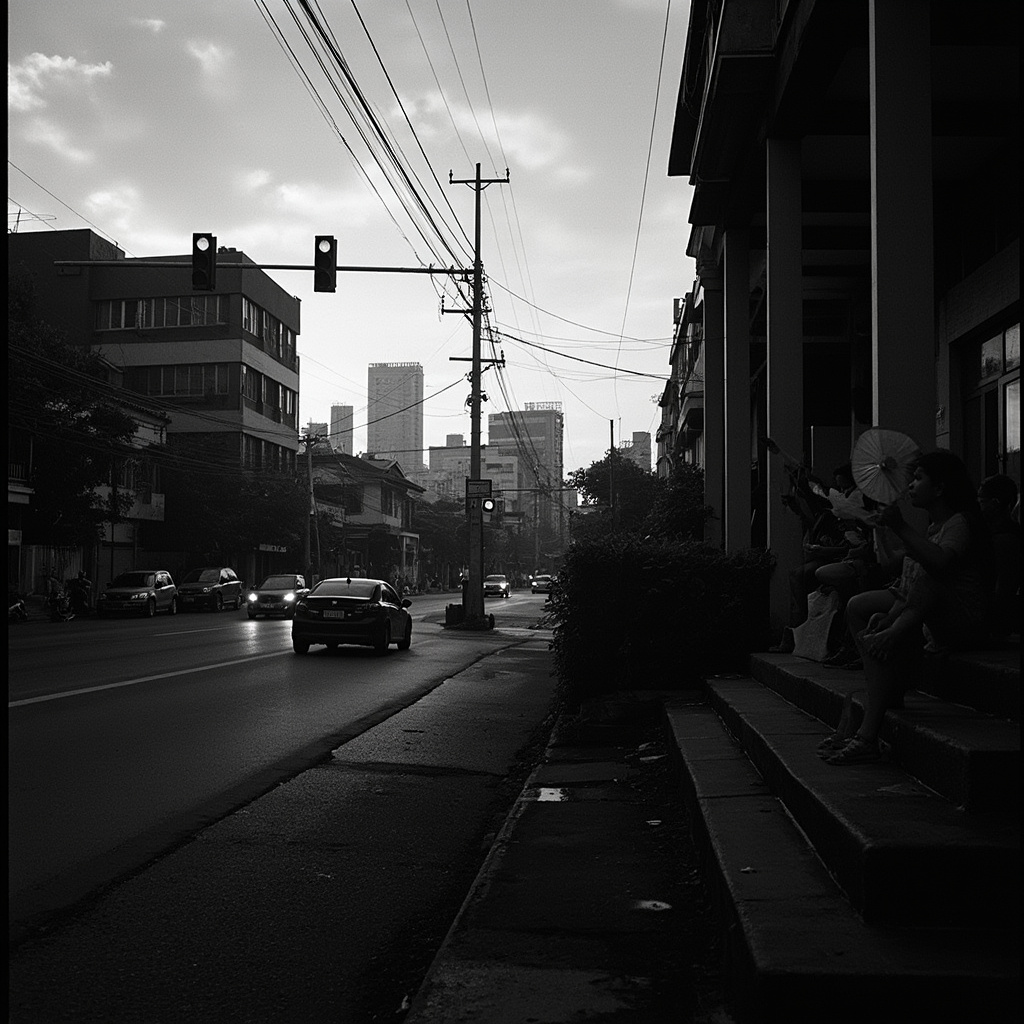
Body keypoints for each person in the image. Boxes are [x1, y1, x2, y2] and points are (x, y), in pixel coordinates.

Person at [822, 450, 991, 765]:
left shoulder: (959, 524)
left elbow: (937, 567)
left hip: (963, 621)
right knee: (861, 608)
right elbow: (896, 572)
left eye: (917, 479)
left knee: (930, 572)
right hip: (928, 610)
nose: (910, 486)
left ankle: (868, 732)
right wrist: (878, 527)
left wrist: (900, 528)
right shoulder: (933, 526)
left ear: (939, 488)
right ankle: (886, 689)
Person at [977, 473, 1021, 639]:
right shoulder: (996, 534)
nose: (978, 505)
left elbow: (1004, 586)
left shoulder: (1005, 538)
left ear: (994, 504)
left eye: (981, 500)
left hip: (996, 621)